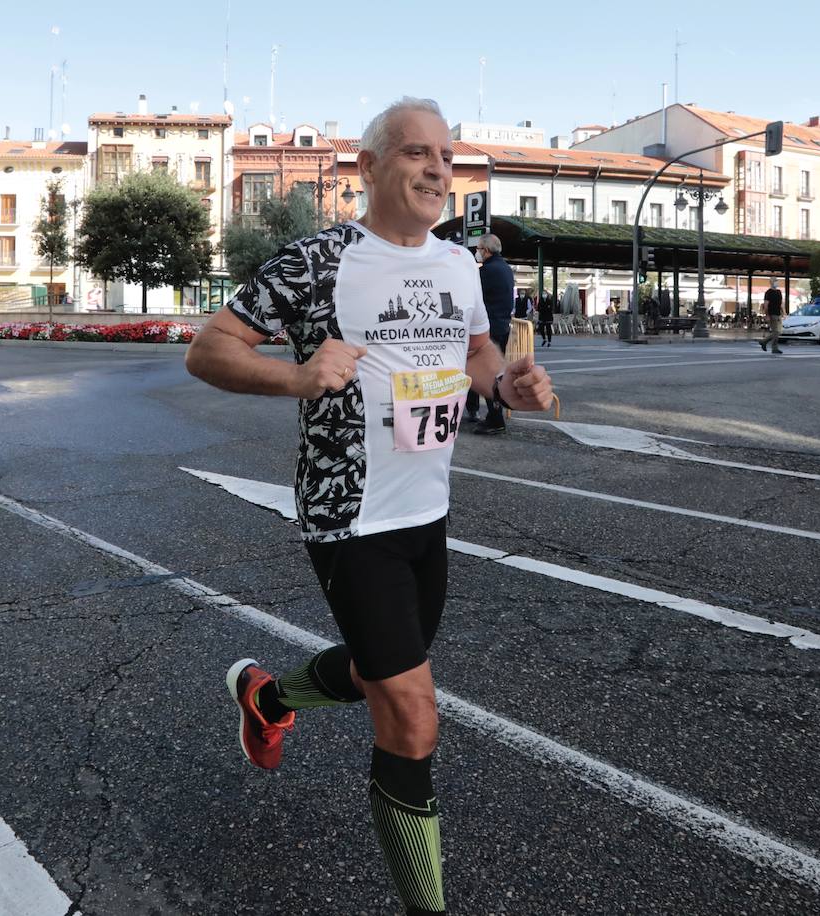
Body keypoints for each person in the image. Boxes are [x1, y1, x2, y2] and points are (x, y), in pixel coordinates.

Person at [185, 97, 554, 916]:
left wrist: (506, 385)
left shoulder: (459, 264)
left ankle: (267, 698)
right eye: (417, 153)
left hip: (427, 506)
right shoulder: (319, 260)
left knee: (378, 671)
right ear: (368, 168)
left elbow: (475, 350)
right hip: (348, 513)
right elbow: (207, 351)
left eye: (446, 158)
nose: (436, 170)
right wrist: (296, 375)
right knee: (411, 715)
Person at [464, 232, 514, 432]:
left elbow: (471, 298)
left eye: (478, 249)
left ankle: (492, 418)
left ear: (486, 250)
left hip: (488, 328)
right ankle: (481, 412)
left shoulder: (486, 271)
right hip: (503, 326)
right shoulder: (506, 269)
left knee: (481, 369)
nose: (477, 252)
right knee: (494, 371)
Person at [758, 280, 784, 354]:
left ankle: (765, 342)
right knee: (776, 332)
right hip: (772, 314)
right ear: (771, 282)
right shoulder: (768, 292)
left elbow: (781, 304)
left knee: (778, 332)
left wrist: (784, 313)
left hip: (778, 314)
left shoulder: (779, 292)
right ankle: (773, 347)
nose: (777, 283)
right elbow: (766, 305)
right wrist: (767, 315)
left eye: (777, 281)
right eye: (775, 281)